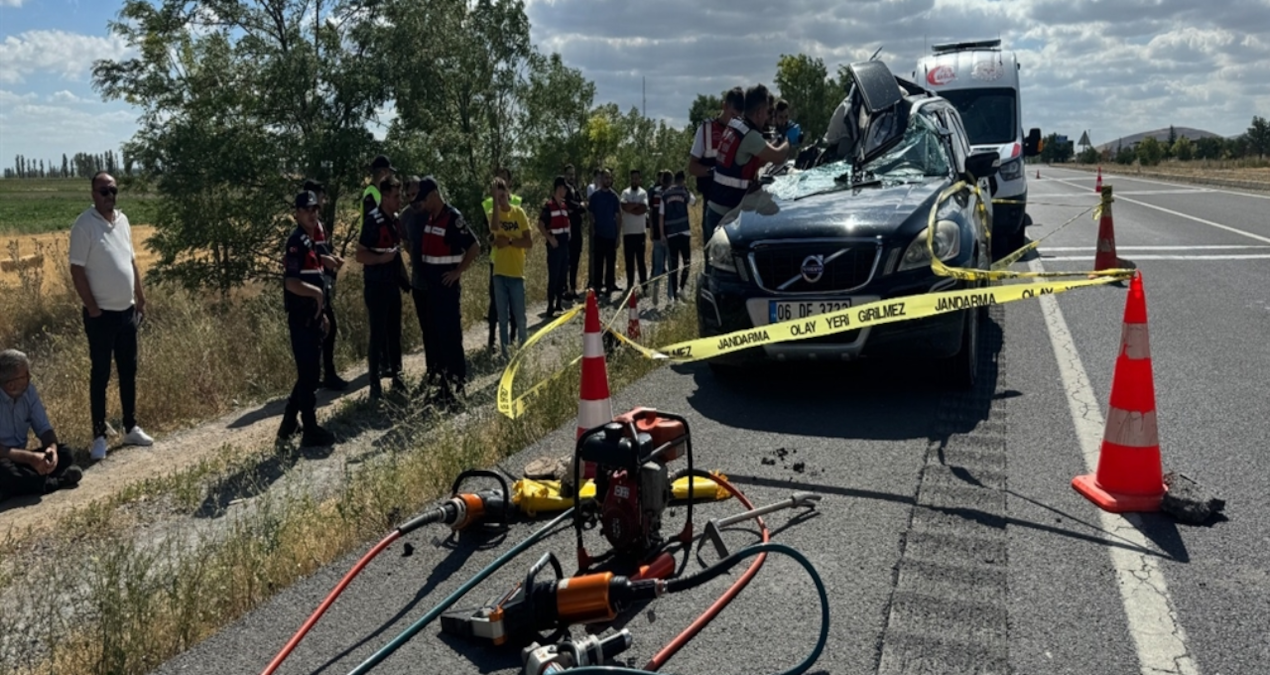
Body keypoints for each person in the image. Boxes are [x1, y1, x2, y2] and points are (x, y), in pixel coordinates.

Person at [69, 171, 153, 461]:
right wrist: (92, 307)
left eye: (113, 190)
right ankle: (99, 437)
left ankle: (130, 426)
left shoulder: (123, 221)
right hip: (100, 316)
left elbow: (131, 261)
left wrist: (140, 298)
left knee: (129, 370)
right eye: (103, 191)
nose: (110, 196)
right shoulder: (84, 226)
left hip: (127, 312)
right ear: (93, 194)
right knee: (101, 375)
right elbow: (77, 270)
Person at [278, 191, 336, 447]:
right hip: (301, 315)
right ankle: (309, 428)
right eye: (307, 210)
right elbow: (291, 282)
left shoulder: (310, 240)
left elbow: (315, 278)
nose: (313, 213)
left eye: (315, 209)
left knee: (309, 372)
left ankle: (289, 423)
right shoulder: (296, 242)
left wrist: (321, 310)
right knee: (309, 373)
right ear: (297, 213)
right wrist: (316, 296)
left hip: (312, 314)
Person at [415, 177, 481, 404]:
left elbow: (474, 247)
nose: (422, 204)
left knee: (451, 337)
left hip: (446, 290)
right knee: (437, 339)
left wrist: (458, 272)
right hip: (432, 290)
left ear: (434, 194)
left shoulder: (452, 218)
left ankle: (457, 386)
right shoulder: (432, 218)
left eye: (424, 199)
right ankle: (444, 387)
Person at [707, 84, 790, 241]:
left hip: (715, 208)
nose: (767, 117)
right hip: (725, 214)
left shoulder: (736, 124)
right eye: (767, 112)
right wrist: (787, 140)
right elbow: (778, 157)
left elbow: (749, 161)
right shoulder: (750, 136)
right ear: (759, 112)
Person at [1, 350, 83, 500]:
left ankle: (22, 485)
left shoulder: (28, 392)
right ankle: (56, 482)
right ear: (11, 385)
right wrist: (30, 458)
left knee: (65, 453)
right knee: (5, 472)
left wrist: (51, 450)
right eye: (25, 376)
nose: (29, 378)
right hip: (5, 461)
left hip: (21, 460)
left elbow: (44, 429)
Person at [356, 176, 406, 399]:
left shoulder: (395, 220)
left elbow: (396, 253)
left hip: (392, 285)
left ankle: (398, 377)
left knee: (395, 333)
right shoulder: (372, 221)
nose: (400, 200)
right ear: (385, 197)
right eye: (396, 196)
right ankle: (374, 384)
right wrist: (380, 259)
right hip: (376, 286)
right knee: (377, 335)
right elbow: (360, 254)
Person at [304, 179, 348, 391]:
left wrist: (332, 258)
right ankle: (326, 375)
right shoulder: (312, 226)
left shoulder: (317, 224)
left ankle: (320, 374)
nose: (323, 201)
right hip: (316, 285)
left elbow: (322, 251)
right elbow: (317, 254)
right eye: (321, 196)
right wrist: (331, 260)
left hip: (322, 282)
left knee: (325, 328)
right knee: (327, 328)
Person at [689, 86, 744, 246]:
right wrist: (713, 172)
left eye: (739, 117)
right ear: (724, 106)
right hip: (712, 202)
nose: (735, 121)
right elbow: (692, 167)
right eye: (733, 115)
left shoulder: (742, 131)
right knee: (712, 251)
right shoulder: (706, 129)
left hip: (737, 203)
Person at [489, 177, 533, 356]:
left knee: (520, 317)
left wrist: (508, 240)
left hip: (516, 272)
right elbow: (493, 230)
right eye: (497, 197)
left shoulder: (519, 213)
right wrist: (494, 202)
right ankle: (505, 355)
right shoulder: (495, 213)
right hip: (499, 272)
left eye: (502, 196)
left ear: (508, 193)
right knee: (503, 318)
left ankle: (522, 352)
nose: (501, 200)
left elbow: (528, 242)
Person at [482, 168, 523, 351]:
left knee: (515, 301)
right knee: (496, 302)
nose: (499, 183)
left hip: (514, 258)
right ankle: (492, 338)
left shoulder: (517, 203)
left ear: (509, 184)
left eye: (503, 180)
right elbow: (490, 231)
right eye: (496, 180)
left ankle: (513, 337)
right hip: (496, 259)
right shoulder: (488, 204)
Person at [659, 171, 696, 302]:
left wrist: (663, 234)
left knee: (673, 266)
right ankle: (681, 288)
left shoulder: (665, 194)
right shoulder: (683, 192)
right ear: (683, 180)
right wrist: (687, 189)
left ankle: (674, 296)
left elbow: (661, 215)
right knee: (687, 262)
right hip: (684, 232)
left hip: (671, 234)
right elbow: (693, 201)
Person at [537, 176, 572, 316]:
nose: (565, 192)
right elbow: (540, 225)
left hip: (564, 246)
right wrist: (550, 238)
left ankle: (558, 304)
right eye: (564, 188)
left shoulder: (564, 206)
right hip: (555, 247)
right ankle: (550, 306)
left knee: (562, 275)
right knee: (554, 276)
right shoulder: (548, 206)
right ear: (559, 188)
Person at [587, 169, 622, 300]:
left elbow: (619, 216)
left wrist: (618, 235)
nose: (607, 180)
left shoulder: (614, 197)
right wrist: (593, 228)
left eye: (609, 178)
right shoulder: (595, 196)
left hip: (611, 235)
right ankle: (597, 287)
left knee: (610, 262)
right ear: (601, 179)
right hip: (599, 234)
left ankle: (609, 287)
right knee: (598, 262)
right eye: (605, 178)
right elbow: (591, 213)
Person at [619, 169, 649, 296]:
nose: (634, 180)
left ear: (640, 179)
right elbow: (623, 206)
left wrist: (631, 208)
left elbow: (643, 209)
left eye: (636, 178)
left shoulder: (643, 193)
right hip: (628, 233)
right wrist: (635, 206)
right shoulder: (625, 192)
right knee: (629, 261)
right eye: (632, 178)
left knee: (641, 261)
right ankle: (630, 285)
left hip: (640, 232)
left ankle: (644, 286)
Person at [563, 164, 587, 300]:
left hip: (577, 229)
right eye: (569, 174)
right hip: (568, 229)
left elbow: (582, 206)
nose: (572, 177)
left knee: (576, 259)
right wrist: (579, 206)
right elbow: (570, 205)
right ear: (565, 175)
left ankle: (573, 288)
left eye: (573, 174)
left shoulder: (575, 188)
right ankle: (565, 289)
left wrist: (579, 206)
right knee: (568, 261)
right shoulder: (564, 189)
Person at [648, 170, 671, 307]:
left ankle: (655, 292)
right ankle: (669, 297)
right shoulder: (671, 194)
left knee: (658, 266)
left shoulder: (655, 193)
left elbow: (651, 213)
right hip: (669, 233)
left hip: (657, 233)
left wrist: (651, 229)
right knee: (671, 266)